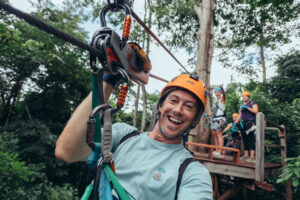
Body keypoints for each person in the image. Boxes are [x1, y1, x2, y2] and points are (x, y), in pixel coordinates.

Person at [55, 73, 213, 200]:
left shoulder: (192, 172)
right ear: (160, 106)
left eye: (188, 107)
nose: (178, 110)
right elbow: (66, 150)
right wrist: (108, 81)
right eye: (173, 100)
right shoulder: (123, 136)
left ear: (194, 120)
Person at [235, 91, 258, 162]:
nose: (244, 97)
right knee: (244, 139)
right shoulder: (241, 106)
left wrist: (247, 108)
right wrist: (235, 123)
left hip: (250, 123)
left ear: (248, 97)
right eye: (243, 96)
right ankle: (246, 155)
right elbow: (240, 115)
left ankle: (252, 157)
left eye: (245, 96)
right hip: (243, 124)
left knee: (251, 139)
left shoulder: (252, 103)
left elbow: (256, 111)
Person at [211, 87, 226, 157]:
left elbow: (224, 95)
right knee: (214, 134)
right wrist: (208, 115)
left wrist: (222, 90)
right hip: (214, 119)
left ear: (220, 93)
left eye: (218, 92)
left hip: (220, 118)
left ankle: (220, 151)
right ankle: (217, 150)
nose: (217, 93)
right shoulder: (215, 102)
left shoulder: (222, 100)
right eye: (215, 92)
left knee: (219, 134)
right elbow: (214, 112)